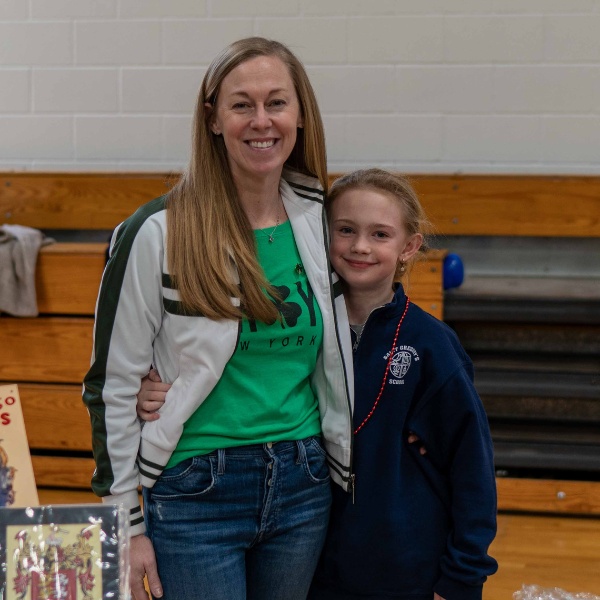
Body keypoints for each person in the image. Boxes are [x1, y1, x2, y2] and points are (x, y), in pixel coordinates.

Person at [138, 168, 499, 599]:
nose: (360, 246)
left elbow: (472, 467)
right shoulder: (304, 332)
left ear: (410, 247)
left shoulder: (432, 345)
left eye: (380, 234)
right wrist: (162, 390)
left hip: (406, 567)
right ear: (321, 236)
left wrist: (463, 575)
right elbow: (234, 370)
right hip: (315, 559)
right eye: (345, 230)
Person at [82, 37, 355, 600]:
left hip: (304, 484)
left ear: (300, 114)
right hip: (195, 490)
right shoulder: (156, 232)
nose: (262, 121)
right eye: (241, 104)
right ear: (212, 119)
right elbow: (111, 385)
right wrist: (126, 527)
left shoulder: (322, 221)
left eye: (277, 102)